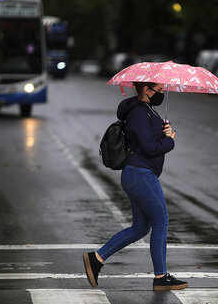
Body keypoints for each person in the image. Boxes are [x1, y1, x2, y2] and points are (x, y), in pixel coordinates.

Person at [83, 81, 188, 291]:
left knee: (140, 227)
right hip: (141, 175)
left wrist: (163, 129)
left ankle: (96, 258)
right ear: (146, 90)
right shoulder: (139, 113)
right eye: (159, 90)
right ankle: (160, 277)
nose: (162, 93)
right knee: (161, 221)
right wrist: (170, 141)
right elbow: (149, 147)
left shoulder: (146, 110)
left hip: (138, 175)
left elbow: (146, 138)